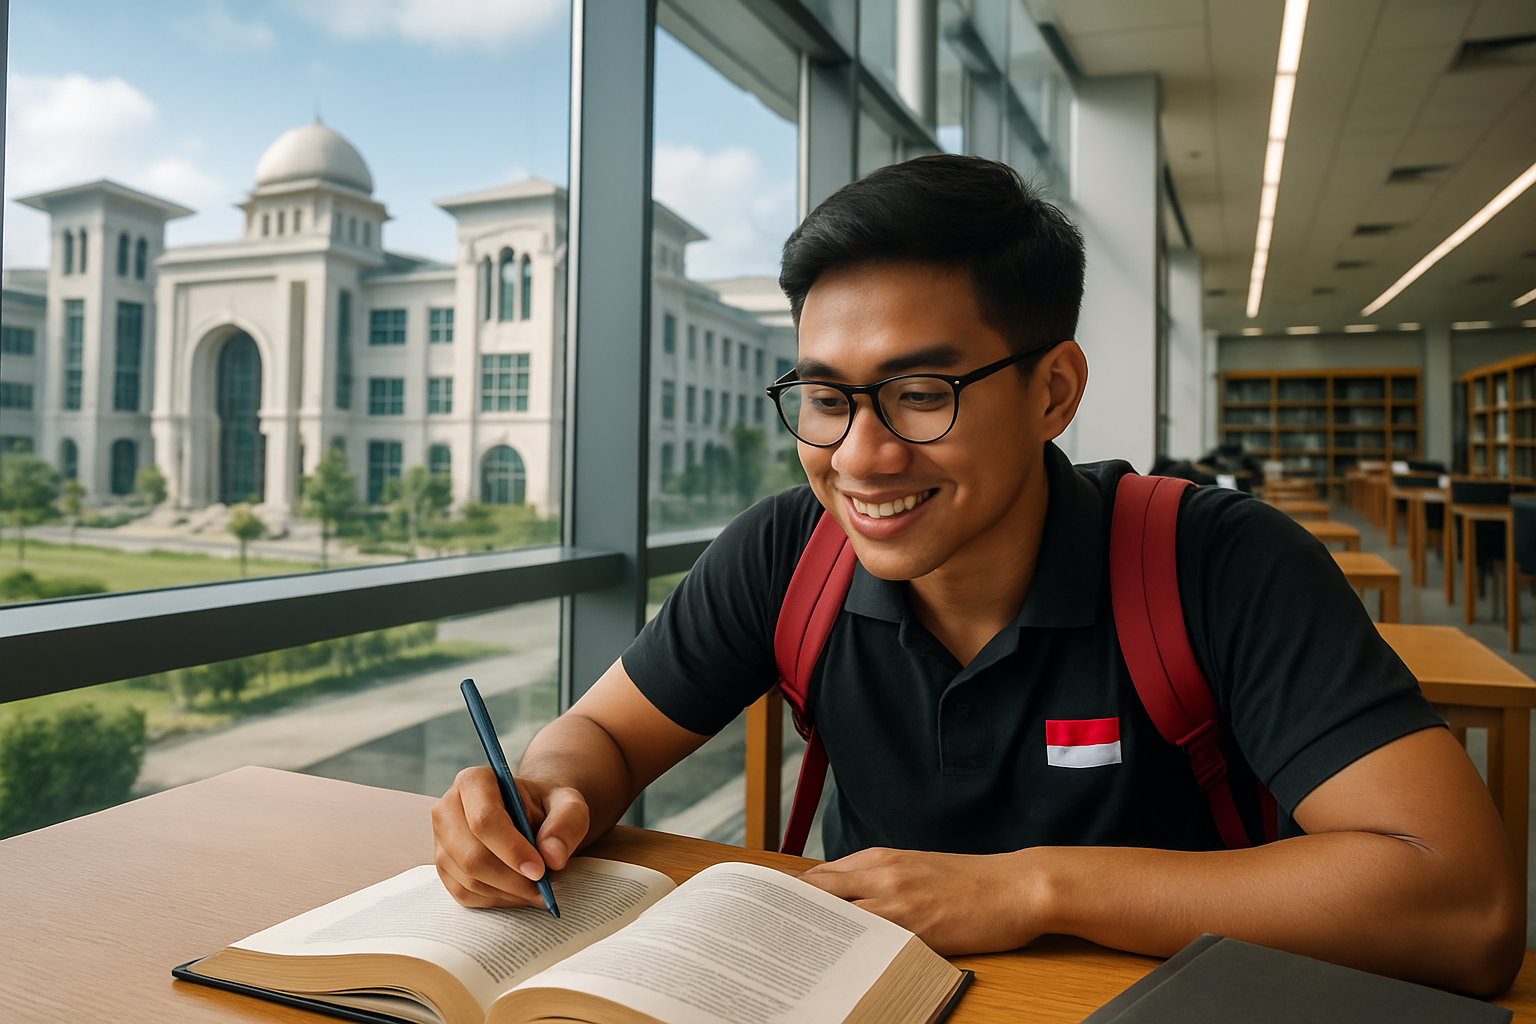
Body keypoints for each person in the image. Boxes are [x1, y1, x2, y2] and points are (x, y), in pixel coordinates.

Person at [432, 155, 1522, 995]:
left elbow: (1465, 905)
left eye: (921, 393)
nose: (859, 454)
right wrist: (545, 788)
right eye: (825, 396)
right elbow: (610, 734)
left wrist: (1030, 885)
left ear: (1054, 392)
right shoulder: (786, 552)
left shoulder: (1215, 561)